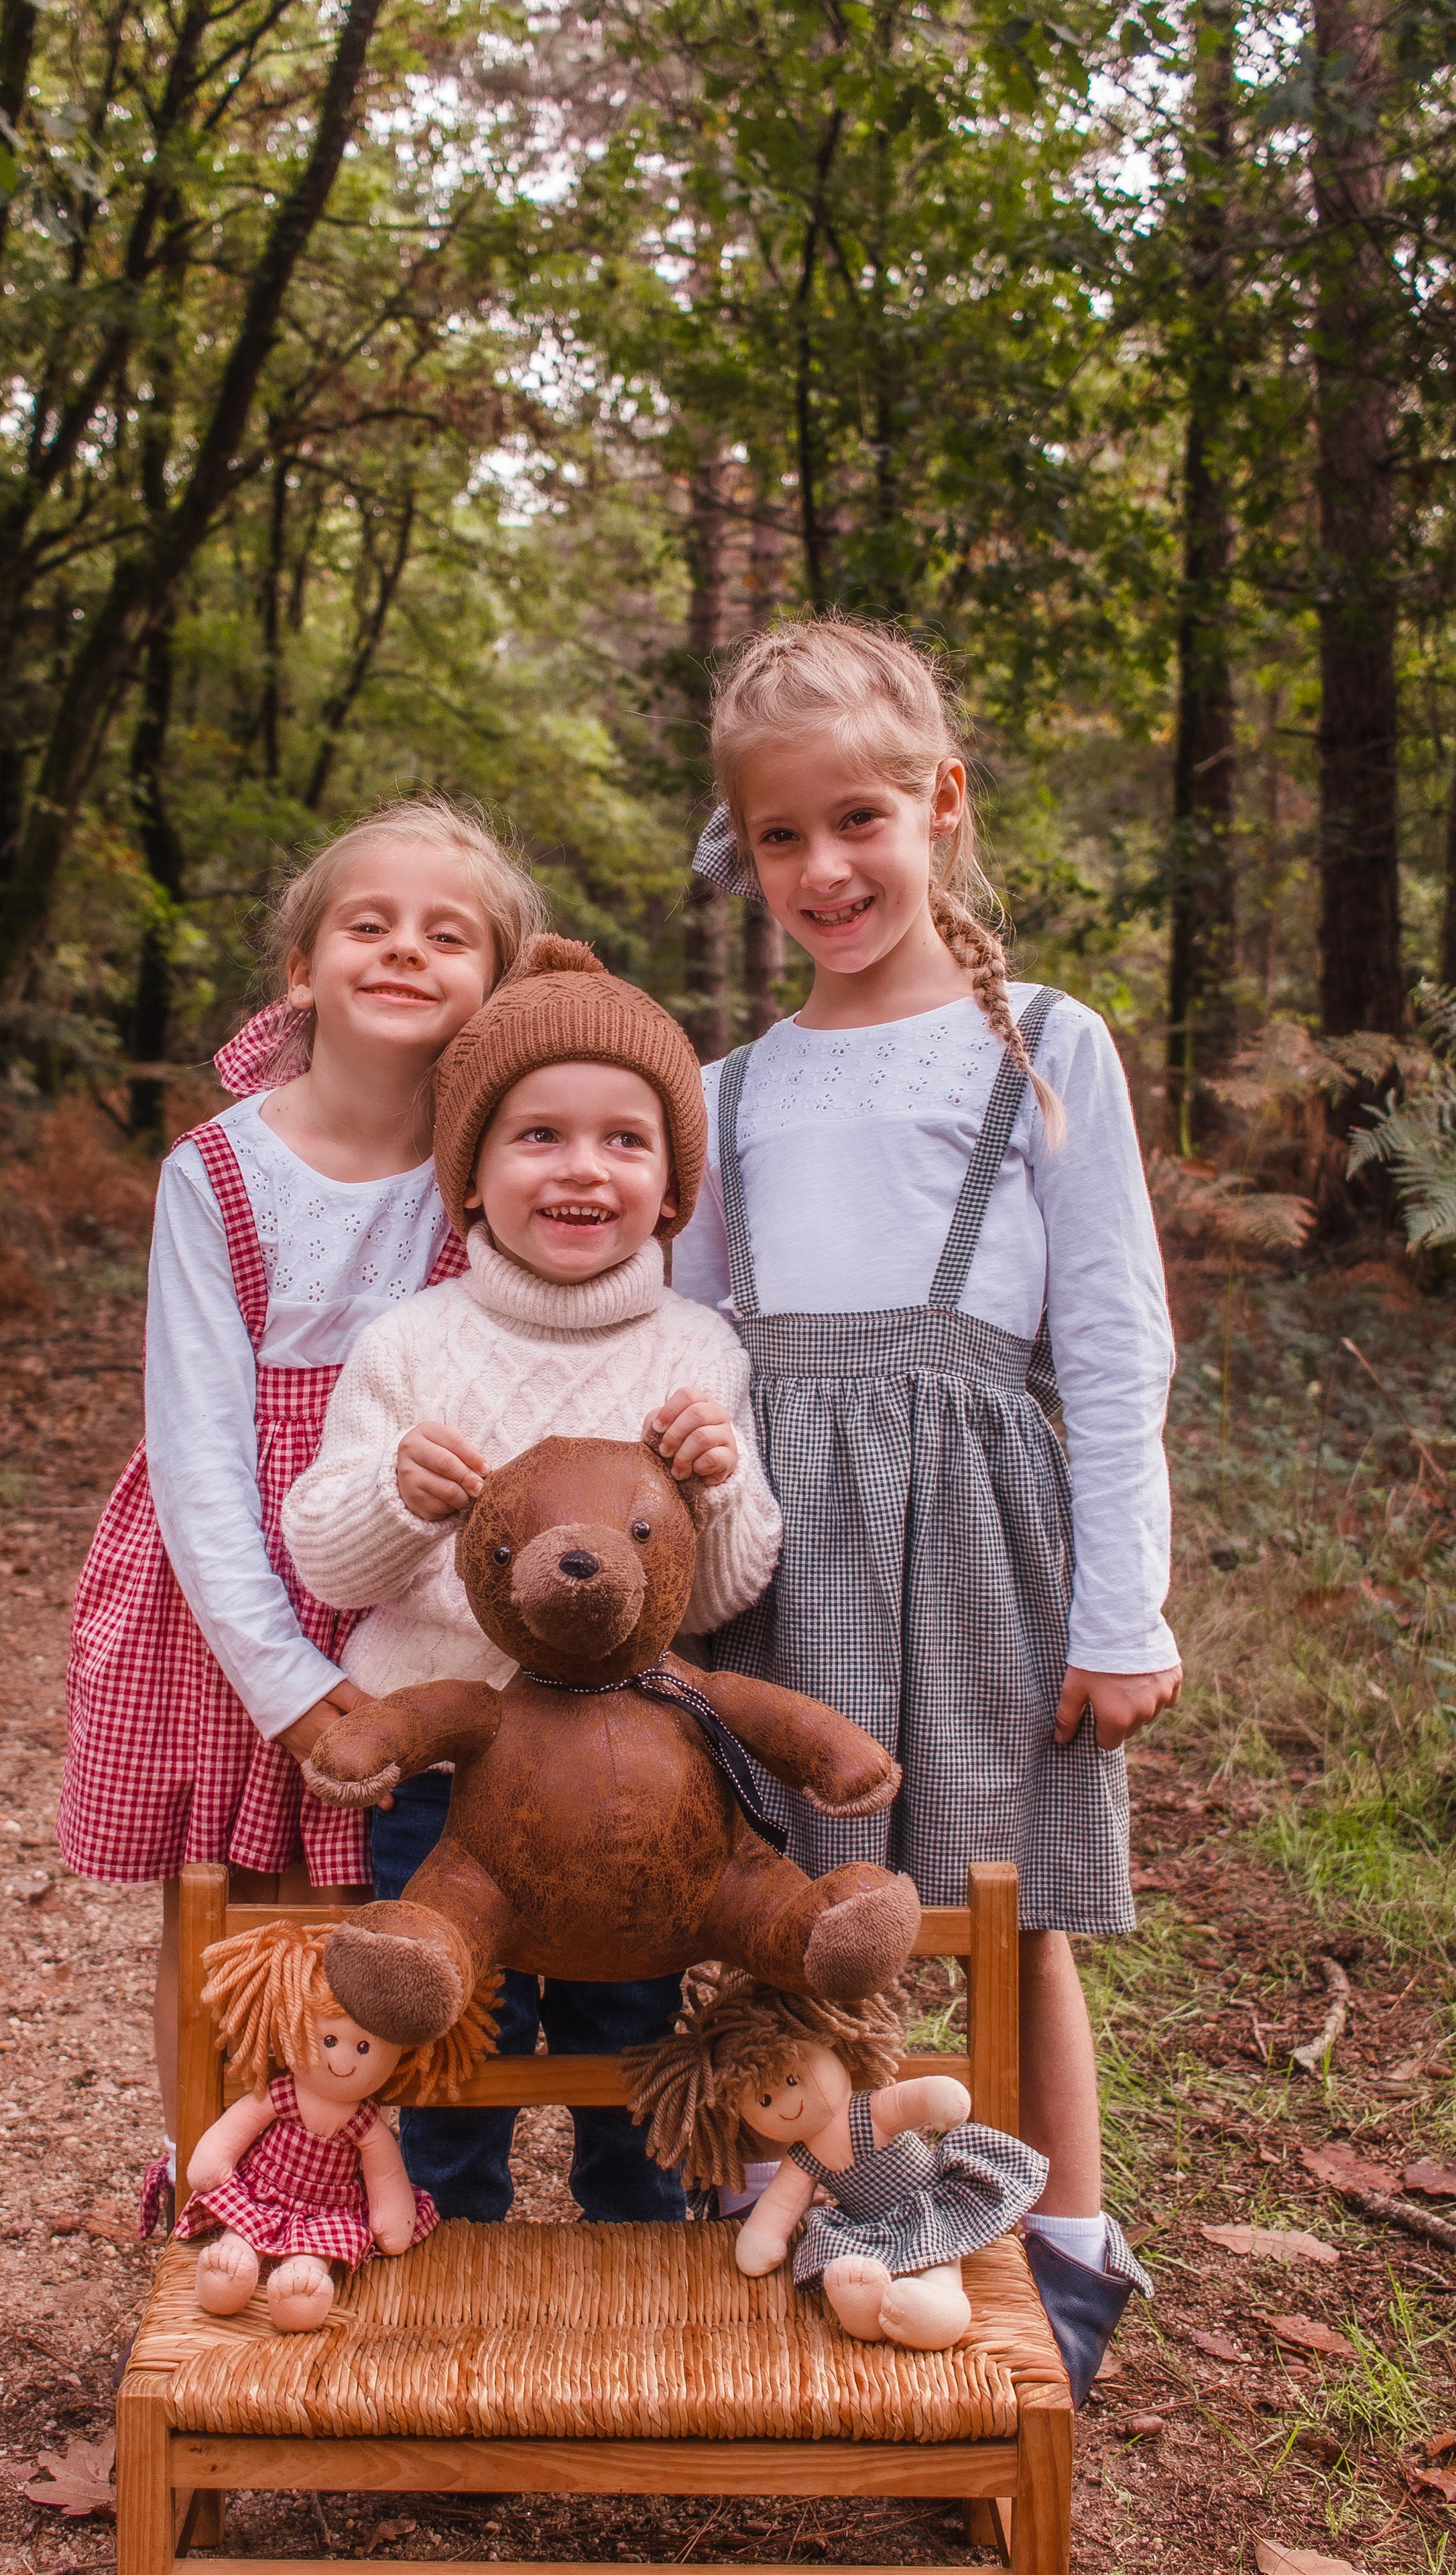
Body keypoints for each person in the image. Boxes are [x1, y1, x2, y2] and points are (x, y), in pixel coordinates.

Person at [671, 614, 1180, 2399]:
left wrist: (1125, 1611)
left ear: (941, 806)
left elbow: (1114, 1343)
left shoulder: (1045, 1042)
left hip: (979, 1527)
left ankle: (1056, 2258)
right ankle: (809, 2231)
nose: (827, 867)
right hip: (785, 1544)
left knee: (1002, 1898)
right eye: (785, 837)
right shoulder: (726, 1092)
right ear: (748, 854)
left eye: (861, 818)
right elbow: (680, 1337)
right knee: (784, 1904)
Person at [59, 796, 546, 2225]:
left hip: (406, 1577)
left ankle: (340, 2185)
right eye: (368, 924)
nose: (404, 950)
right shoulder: (218, 1172)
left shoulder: (487, 1172)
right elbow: (198, 1452)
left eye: (447, 934)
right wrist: (281, 1682)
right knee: (227, 1899)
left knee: (360, 1909)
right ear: (300, 969)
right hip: (229, 1592)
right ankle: (212, 2179)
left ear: (495, 987)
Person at [282, 935, 784, 2222]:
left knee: (627, 2039)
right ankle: (449, 2253)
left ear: (674, 1185)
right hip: (445, 1780)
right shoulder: (413, 1346)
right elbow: (323, 1554)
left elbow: (725, 1594)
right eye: (537, 1136)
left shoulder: (697, 1352)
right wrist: (399, 1494)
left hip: (633, 1790)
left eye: (626, 1140)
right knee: (458, 2043)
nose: (582, 1169)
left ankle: (637, 2253)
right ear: (470, 1174)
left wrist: (718, 1487)